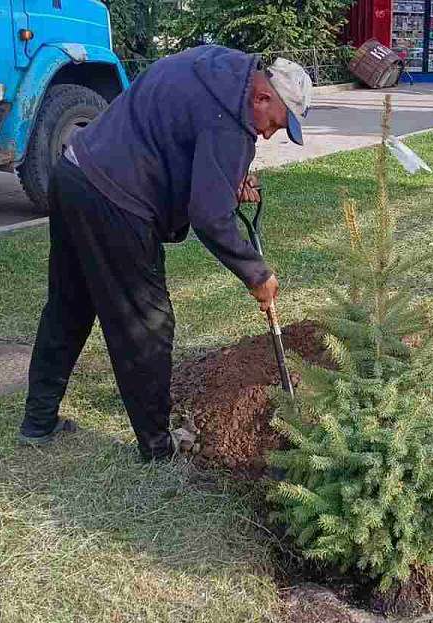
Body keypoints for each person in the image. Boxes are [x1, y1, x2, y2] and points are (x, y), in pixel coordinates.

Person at [17, 46, 312, 462]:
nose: (267, 135)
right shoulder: (234, 119)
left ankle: (38, 421)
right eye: (275, 125)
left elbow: (181, 133)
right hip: (114, 199)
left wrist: (228, 177)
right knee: (147, 324)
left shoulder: (217, 67)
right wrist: (255, 272)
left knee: (69, 305)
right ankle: (157, 446)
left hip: (74, 174)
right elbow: (210, 216)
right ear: (262, 98)